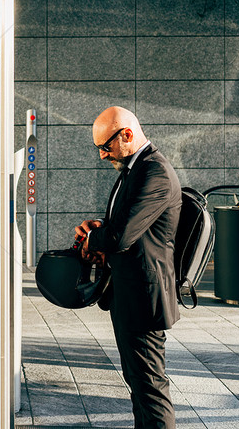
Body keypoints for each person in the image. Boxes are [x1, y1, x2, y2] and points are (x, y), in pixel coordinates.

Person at [75, 106, 181, 429]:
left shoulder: (155, 173)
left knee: (151, 393)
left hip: (144, 303)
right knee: (140, 390)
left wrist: (95, 239)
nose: (103, 156)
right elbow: (126, 227)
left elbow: (120, 235)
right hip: (129, 297)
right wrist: (98, 232)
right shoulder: (135, 170)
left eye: (105, 147)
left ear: (127, 135)